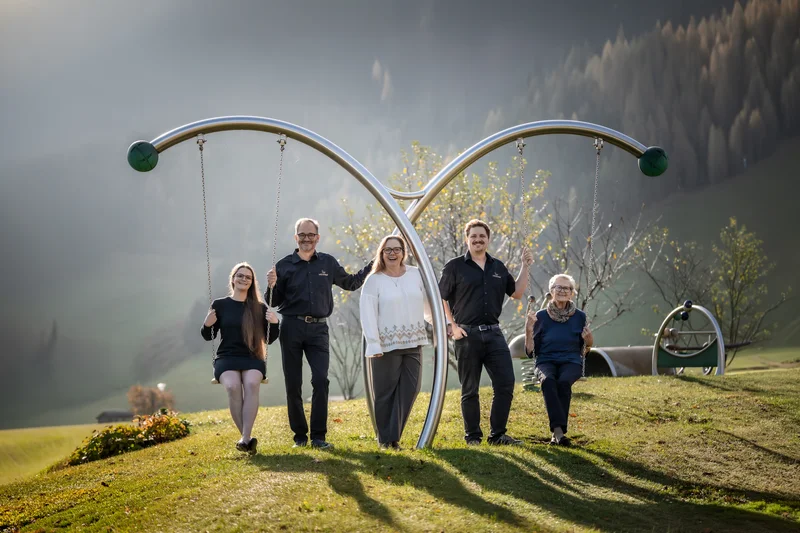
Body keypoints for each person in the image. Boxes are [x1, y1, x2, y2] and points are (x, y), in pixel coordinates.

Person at [266, 218, 372, 449]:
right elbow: (273, 302)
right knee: (293, 384)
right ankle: (300, 437)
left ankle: (318, 437)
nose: (306, 238)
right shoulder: (284, 265)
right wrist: (271, 285)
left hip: (318, 329)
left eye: (310, 234)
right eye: (301, 235)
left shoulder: (328, 263)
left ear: (317, 237)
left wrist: (373, 265)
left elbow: (351, 283)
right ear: (296, 238)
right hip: (291, 327)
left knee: (321, 380)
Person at [439, 219, 533, 445]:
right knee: (469, 388)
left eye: (482, 236)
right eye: (474, 236)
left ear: (488, 239)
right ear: (467, 239)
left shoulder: (498, 267)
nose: (478, 239)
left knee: (506, 383)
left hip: (494, 334)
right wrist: (452, 326)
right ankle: (472, 437)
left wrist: (525, 265)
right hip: (466, 335)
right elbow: (440, 297)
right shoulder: (454, 266)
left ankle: (497, 435)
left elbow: (517, 293)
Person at [360, 235, 432, 450]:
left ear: (404, 252)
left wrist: (443, 324)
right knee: (385, 393)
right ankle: (387, 441)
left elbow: (428, 305)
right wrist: (374, 344)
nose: (392, 253)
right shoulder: (374, 280)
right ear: (381, 254)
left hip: (413, 340)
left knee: (411, 389)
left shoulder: (416, 274)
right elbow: (367, 314)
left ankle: (392, 436)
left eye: (397, 249)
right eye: (387, 250)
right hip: (385, 345)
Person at [201, 262, 279, 454]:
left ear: (252, 283)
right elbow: (208, 336)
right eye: (240, 275)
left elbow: (269, 339)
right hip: (226, 357)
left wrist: (275, 323)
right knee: (233, 386)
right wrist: (207, 324)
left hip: (252, 357)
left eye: (248, 277)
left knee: (252, 383)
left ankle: (245, 438)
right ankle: (246, 438)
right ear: (233, 279)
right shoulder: (220, 305)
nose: (244, 279)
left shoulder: (258, 308)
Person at [524, 273, 593, 446]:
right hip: (546, 361)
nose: (562, 291)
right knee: (548, 381)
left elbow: (585, 350)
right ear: (551, 291)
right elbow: (530, 352)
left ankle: (558, 434)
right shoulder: (540, 316)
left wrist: (590, 341)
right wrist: (528, 329)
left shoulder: (580, 317)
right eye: (558, 287)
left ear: (572, 293)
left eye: (567, 288)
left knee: (563, 382)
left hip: (571, 361)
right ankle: (559, 433)